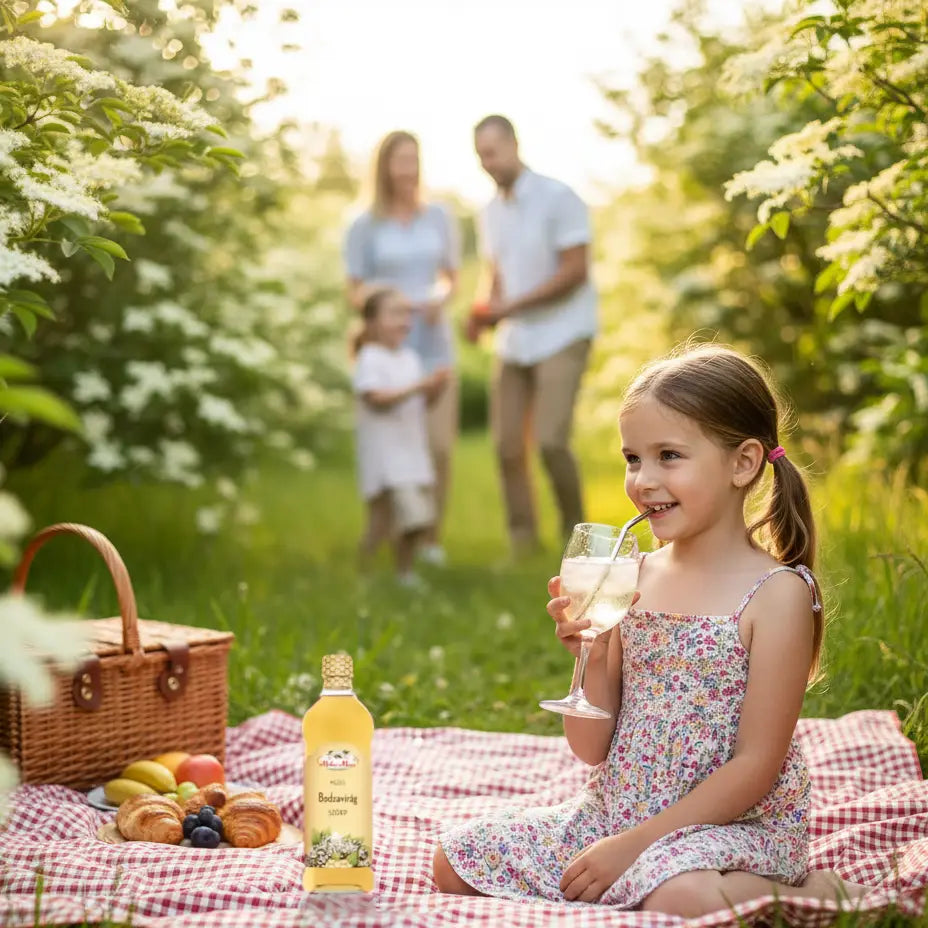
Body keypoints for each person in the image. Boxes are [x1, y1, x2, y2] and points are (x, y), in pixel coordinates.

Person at [433, 345, 872, 915]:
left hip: (727, 830)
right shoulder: (630, 576)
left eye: (669, 456)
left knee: (679, 895)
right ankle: (633, 880)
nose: (643, 480)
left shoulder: (776, 595)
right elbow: (590, 748)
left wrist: (635, 848)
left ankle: (801, 892)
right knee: (457, 859)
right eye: (632, 458)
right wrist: (587, 650)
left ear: (743, 463)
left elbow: (756, 767)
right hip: (614, 816)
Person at [468, 114, 597, 556]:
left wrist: (512, 306)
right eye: (481, 155)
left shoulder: (558, 198)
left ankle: (575, 539)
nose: (488, 163)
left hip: (564, 332)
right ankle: (522, 541)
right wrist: (483, 311)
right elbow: (497, 275)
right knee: (506, 445)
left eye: (493, 152)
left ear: (514, 144)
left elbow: (576, 271)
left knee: (550, 441)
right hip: (516, 340)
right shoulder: (488, 212)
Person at [345, 130, 460, 567]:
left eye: (414, 159)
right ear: (384, 167)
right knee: (391, 450)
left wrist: (439, 299)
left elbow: (452, 276)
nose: (408, 168)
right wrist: (391, 305)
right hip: (388, 352)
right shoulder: (364, 224)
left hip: (432, 344)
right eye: (399, 160)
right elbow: (355, 292)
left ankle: (429, 538)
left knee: (438, 449)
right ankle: (389, 539)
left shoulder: (440, 216)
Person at [353, 288, 450, 587]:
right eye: (395, 313)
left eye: (407, 313)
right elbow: (375, 398)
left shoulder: (409, 357)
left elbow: (421, 403)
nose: (404, 320)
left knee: (408, 519)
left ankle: (399, 573)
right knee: (395, 520)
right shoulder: (370, 358)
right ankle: (371, 571)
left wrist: (435, 388)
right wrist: (419, 386)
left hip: (410, 452)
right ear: (371, 322)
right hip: (386, 456)